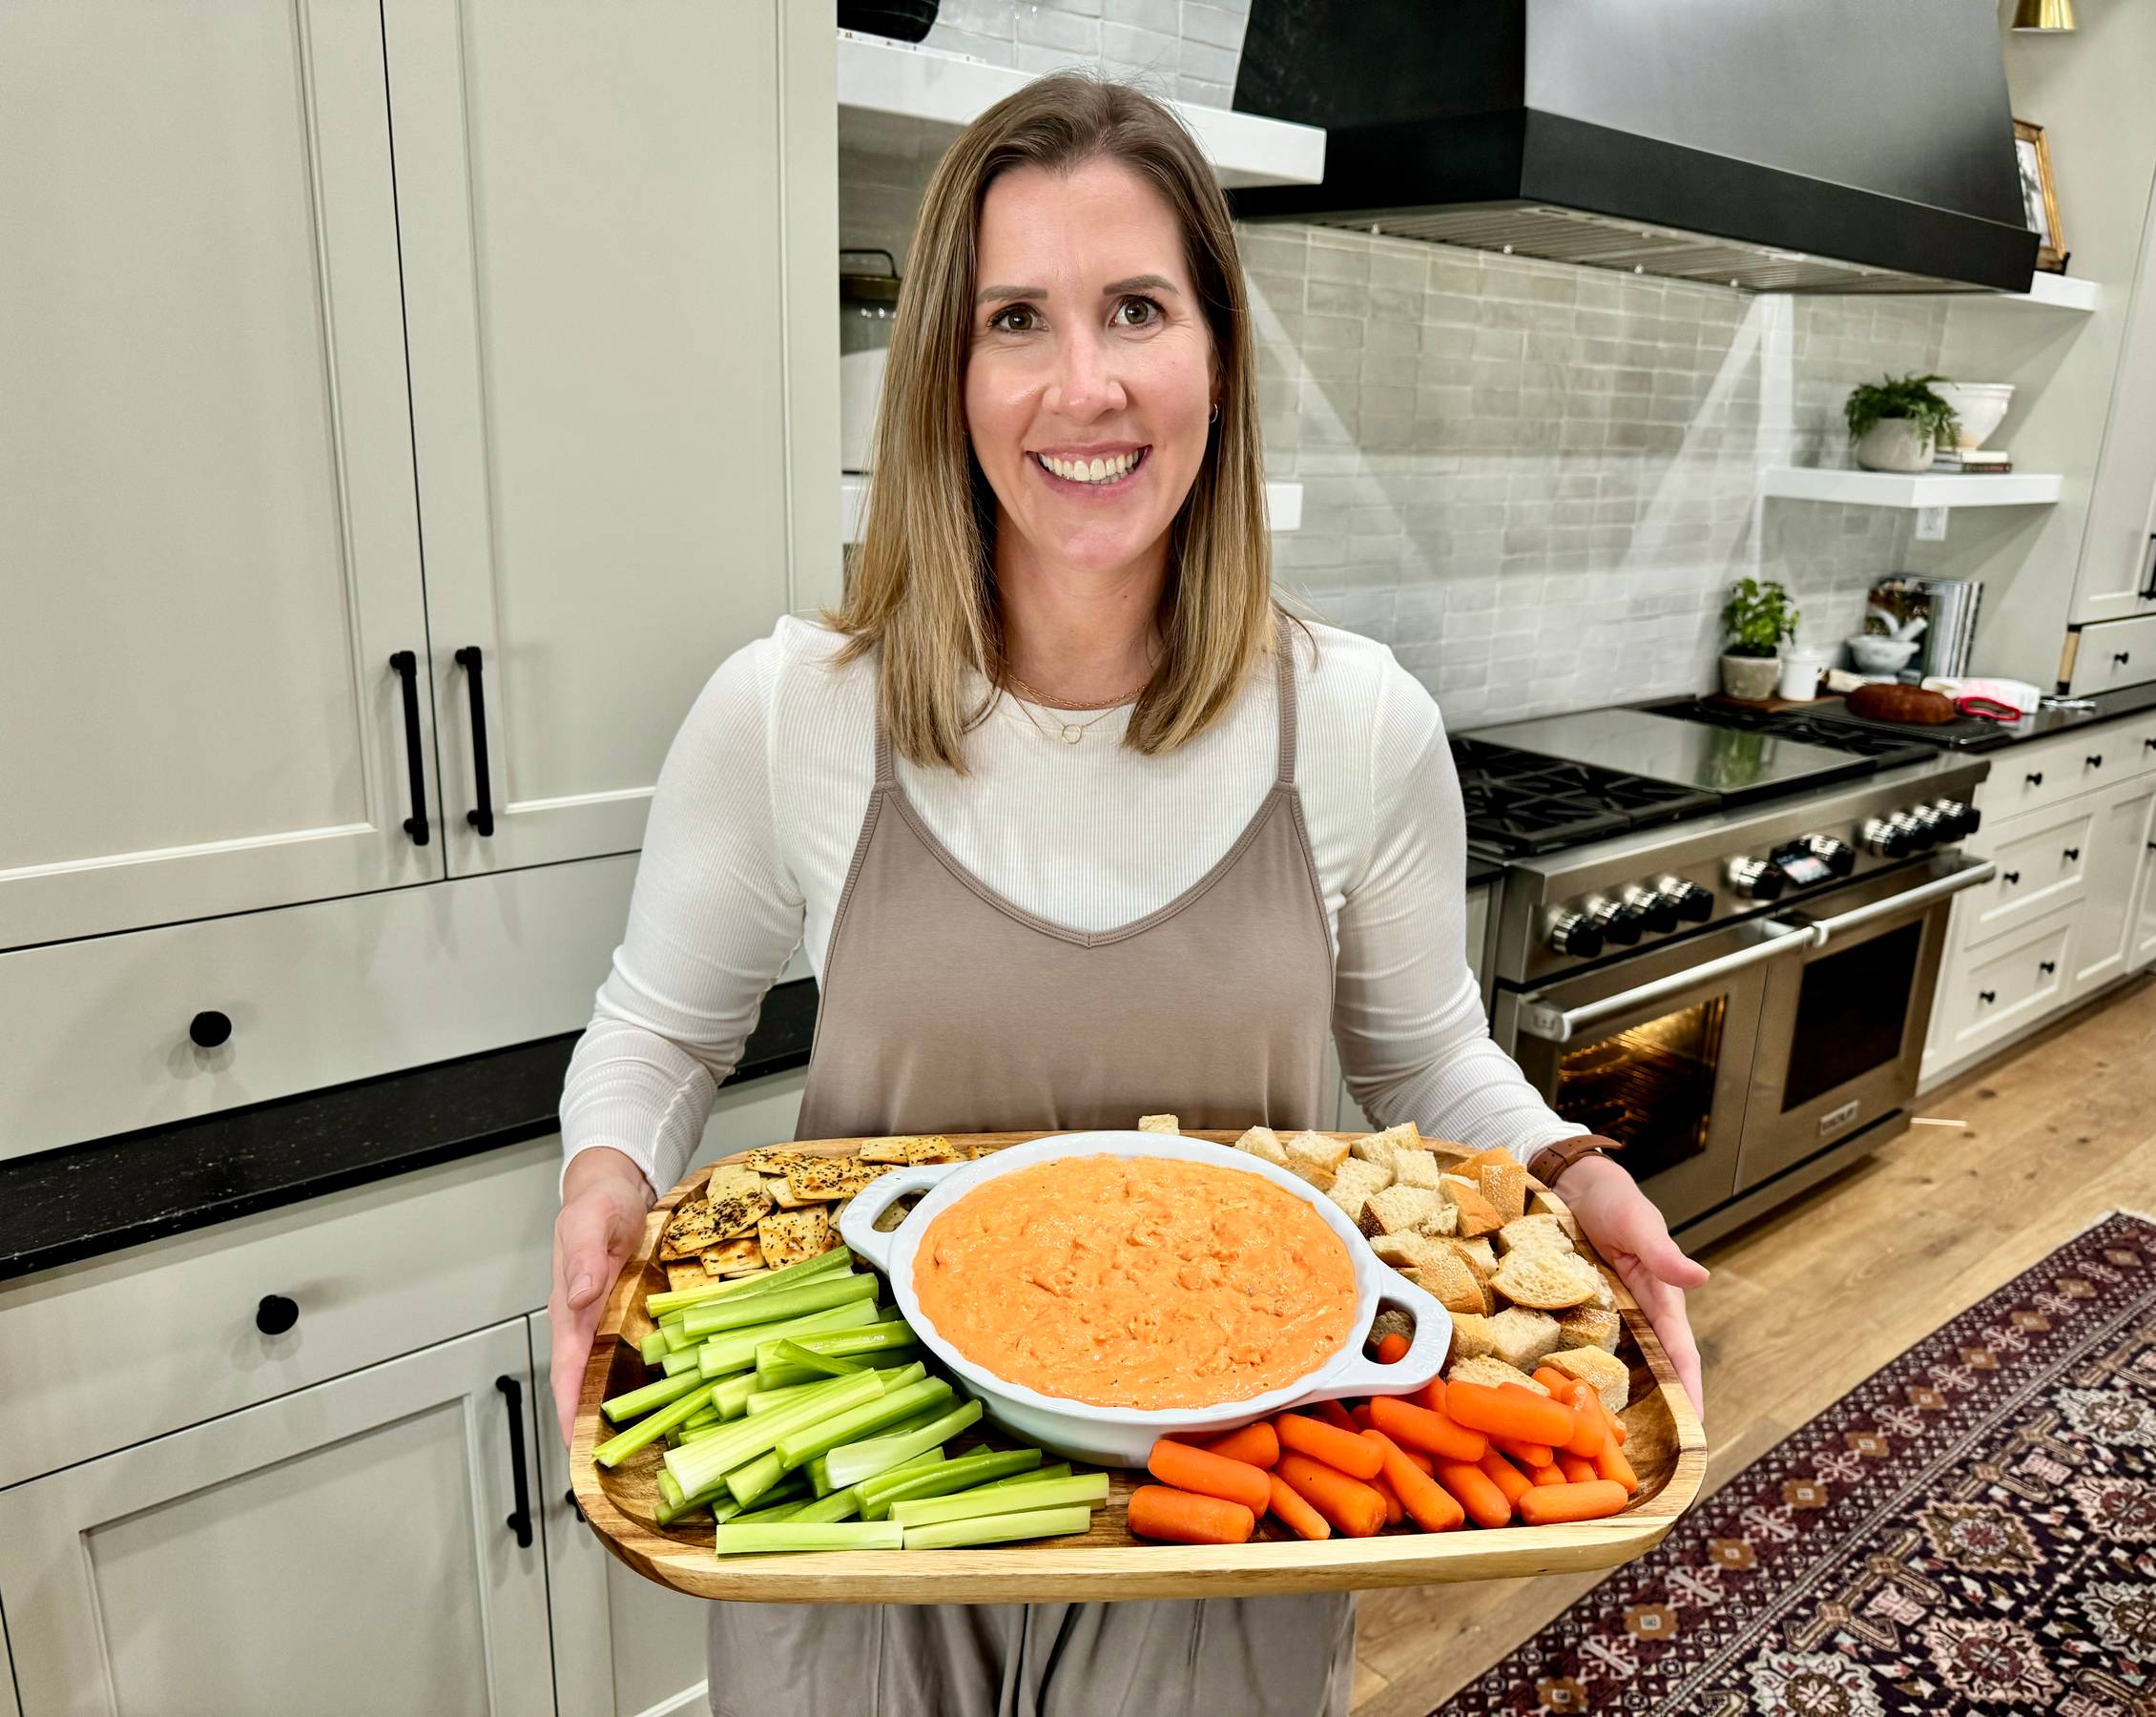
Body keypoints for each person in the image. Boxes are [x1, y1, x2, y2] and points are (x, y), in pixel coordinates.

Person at [549, 72, 1706, 1717]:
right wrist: (607, 1175)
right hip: (874, 1515)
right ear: (947, 376)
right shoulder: (789, 709)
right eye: (1016, 317)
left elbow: (1428, 1057)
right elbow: (660, 1034)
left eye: (1136, 309)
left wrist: (1576, 1175)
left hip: (1220, 1526)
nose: (1081, 385)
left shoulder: (1356, 719)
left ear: (1218, 361)